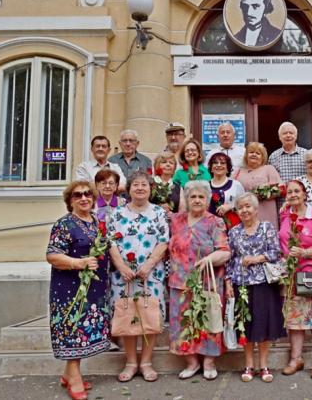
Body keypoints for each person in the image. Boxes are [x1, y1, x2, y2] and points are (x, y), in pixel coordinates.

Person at [46, 181, 110, 400]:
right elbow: (52, 256)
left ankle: (68, 374)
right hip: (69, 289)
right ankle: (74, 378)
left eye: (88, 194)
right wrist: (78, 263)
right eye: (77, 195)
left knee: (83, 331)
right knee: (73, 330)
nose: (84, 198)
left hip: (94, 289)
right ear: (70, 200)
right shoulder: (64, 224)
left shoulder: (97, 222)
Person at [108, 169, 169, 383]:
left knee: (149, 315)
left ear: (150, 189)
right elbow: (111, 242)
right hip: (123, 276)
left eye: (144, 184)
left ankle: (146, 362)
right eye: (136, 184)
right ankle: (131, 362)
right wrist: (121, 266)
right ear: (129, 189)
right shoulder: (117, 213)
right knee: (127, 314)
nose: (140, 188)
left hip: (151, 275)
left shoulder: (159, 213)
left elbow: (164, 241)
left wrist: (149, 265)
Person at [168, 181, 231, 381]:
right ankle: (192, 362)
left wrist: (208, 259)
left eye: (201, 197)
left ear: (207, 200)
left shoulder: (215, 222)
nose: (197, 200)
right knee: (183, 323)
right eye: (193, 197)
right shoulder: (175, 220)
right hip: (180, 281)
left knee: (208, 321)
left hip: (207, 281)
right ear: (186, 199)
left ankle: (209, 362)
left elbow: (225, 251)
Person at [225, 193, 286, 383]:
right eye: (240, 207)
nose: (244, 210)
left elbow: (276, 252)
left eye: (247, 206)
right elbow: (230, 259)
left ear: (256, 208)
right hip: (241, 283)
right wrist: (228, 282)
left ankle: (264, 365)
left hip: (264, 282)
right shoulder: (233, 232)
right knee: (246, 325)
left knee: (264, 323)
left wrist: (256, 259)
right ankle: (249, 365)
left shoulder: (267, 227)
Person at [279, 179, 312, 380]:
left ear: (304, 194)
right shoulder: (285, 215)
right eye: (289, 192)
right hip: (290, 275)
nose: (293, 195)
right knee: (294, 319)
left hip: (311, 273)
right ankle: (296, 359)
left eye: (296, 191)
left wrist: (305, 252)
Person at [233, 142, 283, 229]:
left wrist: (261, 194)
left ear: (262, 157)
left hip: (265, 211)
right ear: (246, 156)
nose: (254, 155)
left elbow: (281, 189)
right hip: (245, 213)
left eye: (258, 153)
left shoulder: (269, 169)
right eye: (251, 152)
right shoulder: (238, 172)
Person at [208, 152, 245, 229]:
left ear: (228, 168)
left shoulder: (236, 185)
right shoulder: (205, 186)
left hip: (232, 228)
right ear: (211, 168)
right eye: (215, 163)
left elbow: (244, 206)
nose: (219, 165)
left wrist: (231, 207)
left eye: (222, 163)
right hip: (209, 228)